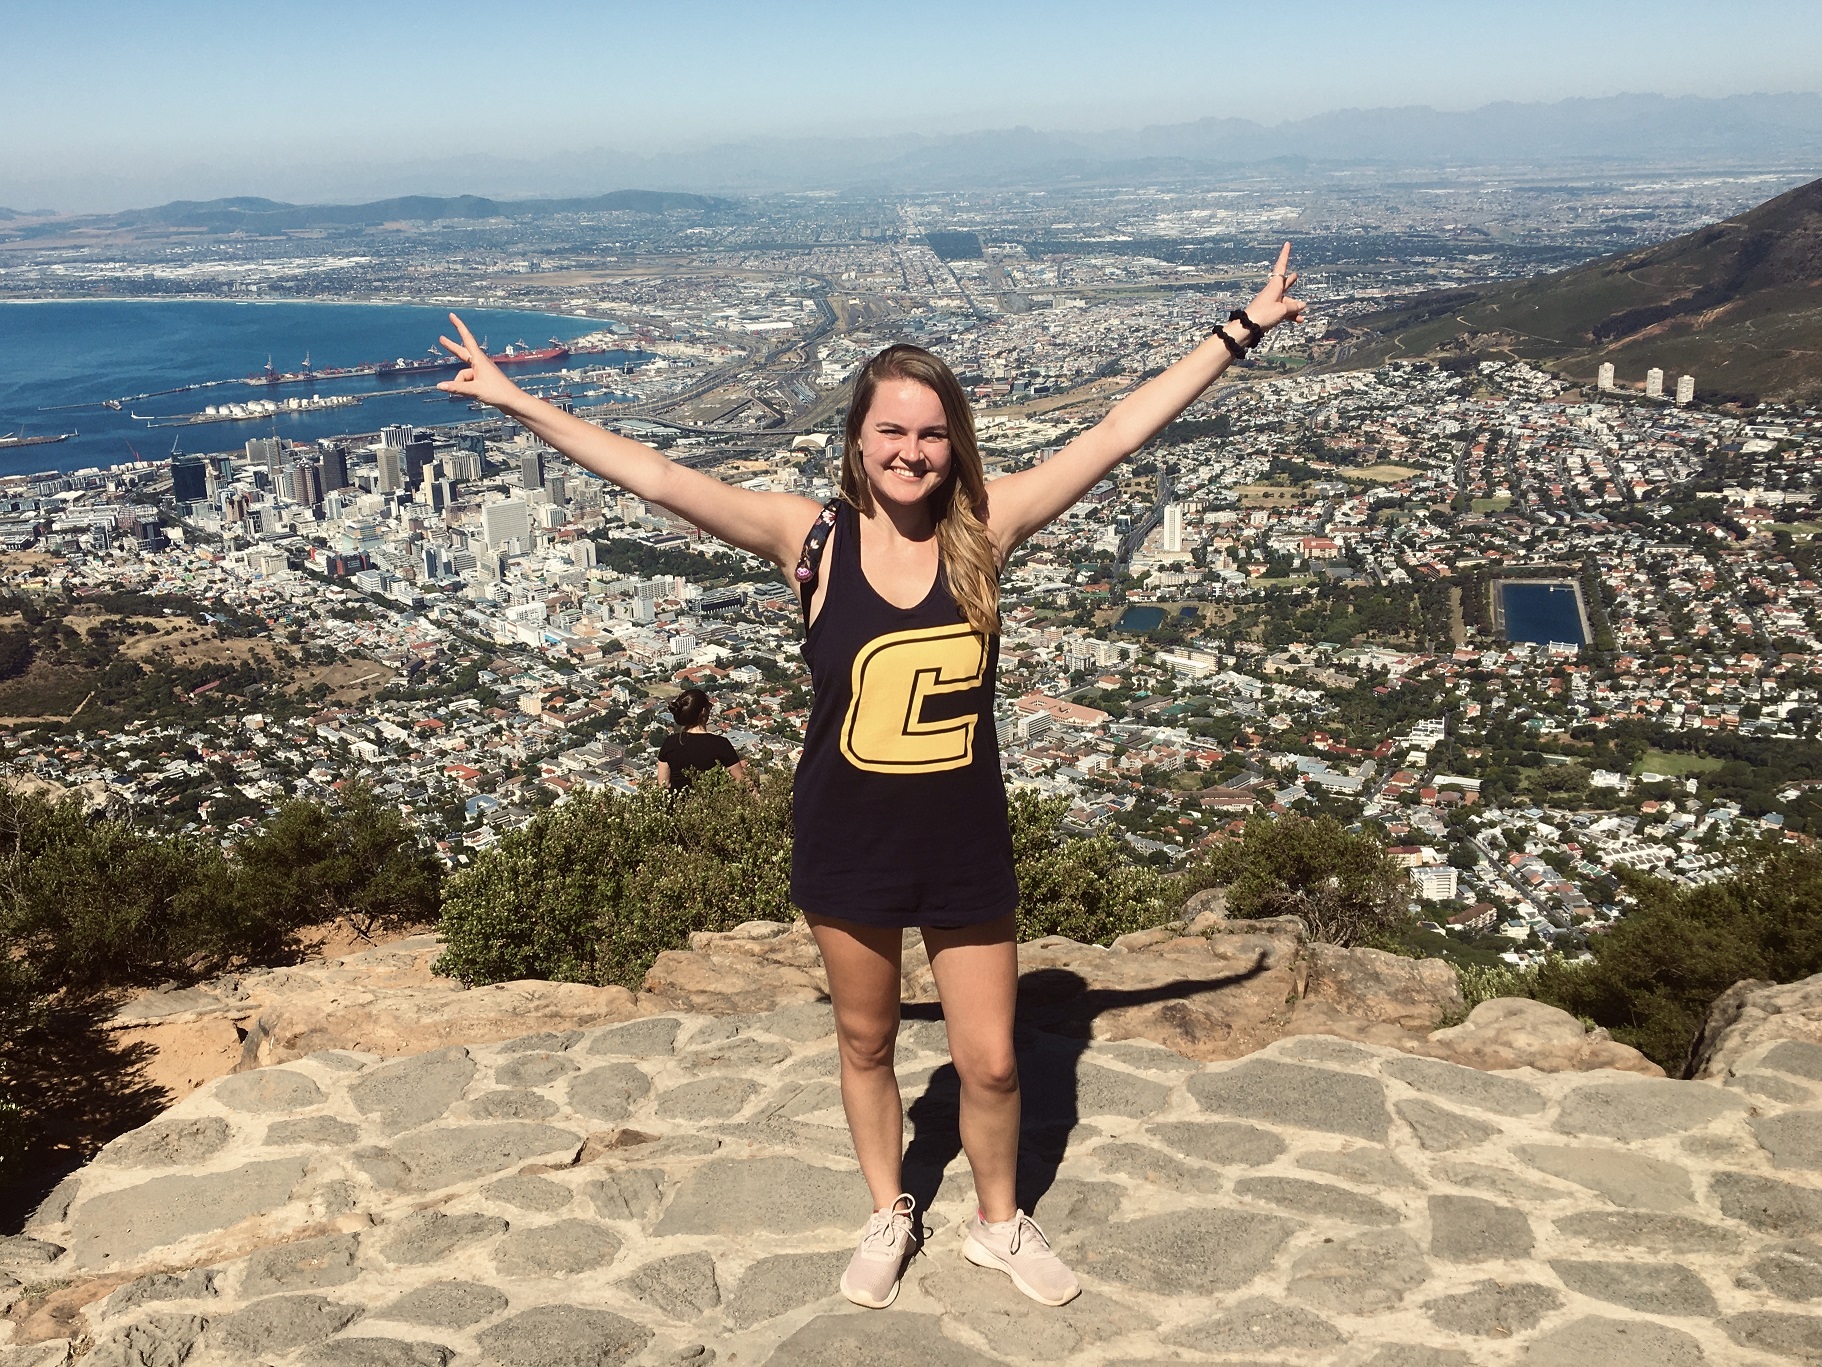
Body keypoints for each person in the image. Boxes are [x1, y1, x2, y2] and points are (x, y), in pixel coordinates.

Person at [435, 245, 1304, 1311]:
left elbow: (1118, 431)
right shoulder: (808, 540)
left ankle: (997, 1221)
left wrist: (1240, 329)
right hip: (848, 842)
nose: (911, 450)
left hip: (964, 845)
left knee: (991, 1061)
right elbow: (658, 477)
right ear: (856, 439)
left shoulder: (987, 528)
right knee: (866, 1038)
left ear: (955, 442)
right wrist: (519, 400)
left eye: (931, 432)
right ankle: (890, 1208)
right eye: (891, 430)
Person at [655, 686, 745, 790]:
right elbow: (742, 780)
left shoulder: (670, 743)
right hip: (711, 799)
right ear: (703, 711)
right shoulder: (720, 744)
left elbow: (664, 784)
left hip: (677, 799)